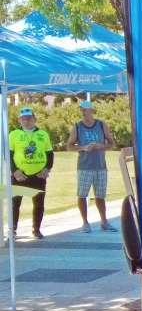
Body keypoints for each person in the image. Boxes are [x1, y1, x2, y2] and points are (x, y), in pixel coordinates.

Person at [65, 100, 117, 233]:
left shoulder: (101, 125)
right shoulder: (77, 127)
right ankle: (85, 223)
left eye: (86, 109)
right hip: (84, 167)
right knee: (82, 195)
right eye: (81, 109)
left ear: (92, 111)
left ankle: (104, 222)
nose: (83, 112)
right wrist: (83, 148)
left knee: (100, 196)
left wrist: (100, 146)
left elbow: (112, 144)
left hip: (100, 166)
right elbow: (69, 146)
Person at [8, 106, 54, 240]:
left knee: (39, 204)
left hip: (38, 175)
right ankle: (12, 230)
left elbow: (50, 154)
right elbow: (9, 154)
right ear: (19, 120)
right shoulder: (13, 134)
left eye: (29, 118)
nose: (26, 121)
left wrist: (47, 169)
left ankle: (36, 230)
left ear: (35, 119)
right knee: (15, 204)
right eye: (23, 119)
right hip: (20, 176)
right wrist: (15, 171)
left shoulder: (43, 134)